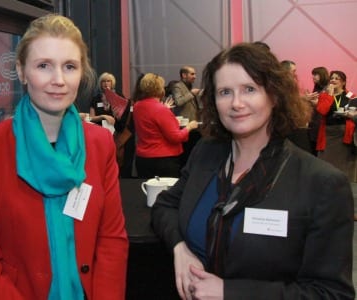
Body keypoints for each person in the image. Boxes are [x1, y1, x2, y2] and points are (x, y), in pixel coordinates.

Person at [151, 43, 354, 299]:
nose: (236, 103)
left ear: (275, 95)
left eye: (249, 89)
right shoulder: (207, 153)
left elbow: (331, 294)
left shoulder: (321, 183)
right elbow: (164, 207)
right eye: (225, 92)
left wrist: (229, 292)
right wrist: (180, 248)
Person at [0, 14, 128, 299]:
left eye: (70, 67)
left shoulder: (100, 144)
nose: (58, 80)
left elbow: (112, 240)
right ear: (22, 72)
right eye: (43, 66)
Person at [134, 72, 198, 178]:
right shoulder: (161, 109)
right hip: (164, 160)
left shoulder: (137, 106)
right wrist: (189, 127)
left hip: (143, 159)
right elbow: (176, 137)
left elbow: (151, 126)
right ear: (159, 89)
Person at [172, 66, 203, 168]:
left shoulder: (189, 87)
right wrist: (191, 94)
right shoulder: (177, 86)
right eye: (192, 74)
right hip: (184, 128)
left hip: (194, 127)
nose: (195, 76)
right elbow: (178, 102)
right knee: (186, 157)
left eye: (195, 74)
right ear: (184, 75)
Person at [306, 66, 330, 156]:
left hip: (321, 122)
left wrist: (316, 102)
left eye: (315, 74)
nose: (313, 77)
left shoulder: (329, 89)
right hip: (314, 121)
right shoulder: (317, 87)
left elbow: (326, 106)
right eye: (313, 75)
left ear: (322, 75)